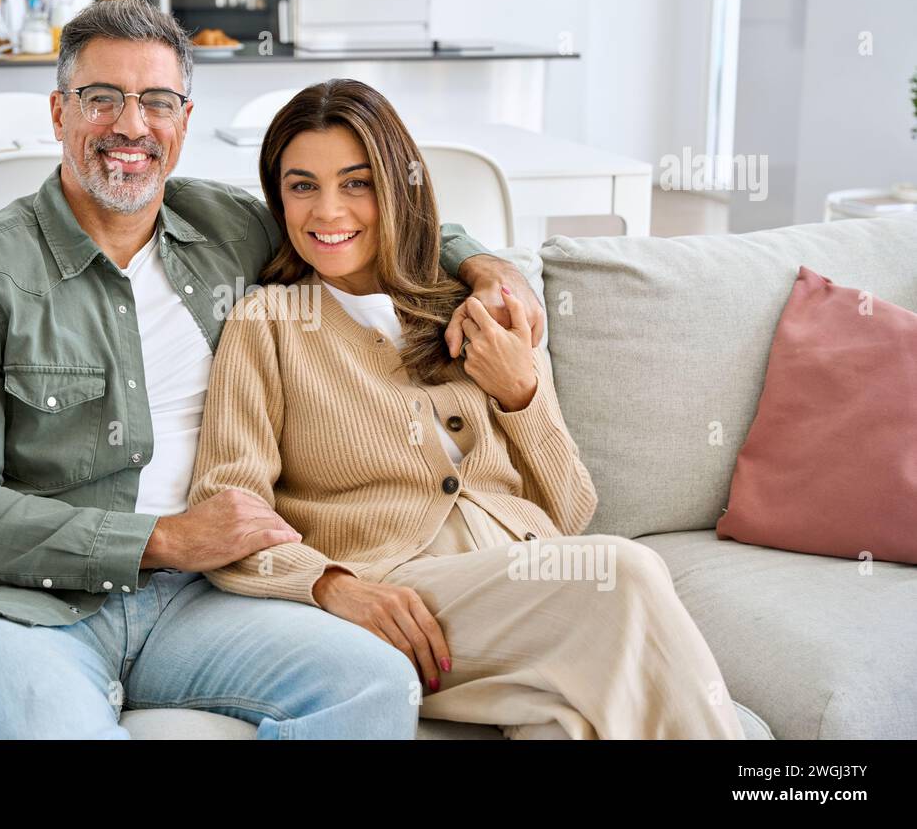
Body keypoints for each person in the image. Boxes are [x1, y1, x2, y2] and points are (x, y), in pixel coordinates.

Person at [0, 0, 542, 738]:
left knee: (375, 683)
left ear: (184, 122)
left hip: (196, 601)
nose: (131, 126)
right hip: (14, 606)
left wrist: (483, 267)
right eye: (103, 99)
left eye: (156, 101)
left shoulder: (225, 229)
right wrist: (164, 539)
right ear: (59, 114)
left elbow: (366, 224)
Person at [187, 78, 747, 739]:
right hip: (402, 596)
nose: (328, 211)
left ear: (398, 187)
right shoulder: (268, 322)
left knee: (567, 723)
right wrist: (332, 585)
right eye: (302, 185)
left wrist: (521, 394)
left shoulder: (468, 307)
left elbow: (569, 509)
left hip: (530, 580)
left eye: (357, 183)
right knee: (621, 571)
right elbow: (225, 513)